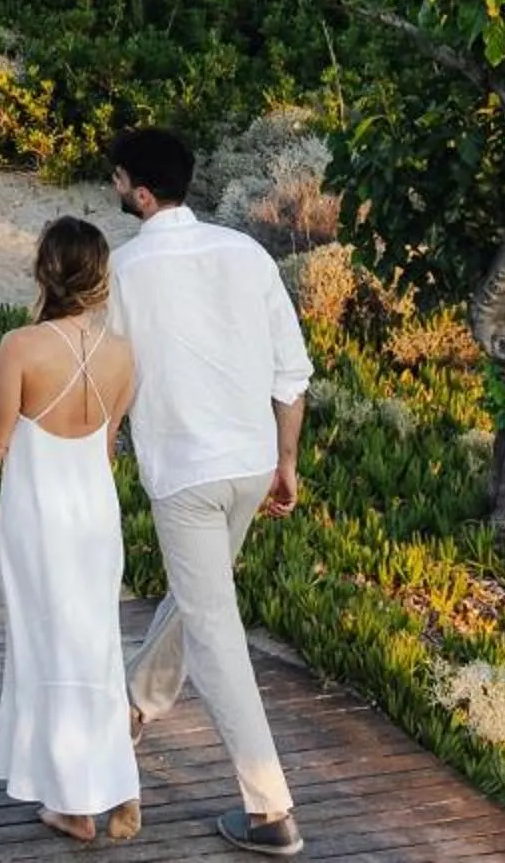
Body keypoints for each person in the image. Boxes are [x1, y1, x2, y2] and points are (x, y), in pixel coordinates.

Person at [107, 127, 313, 856]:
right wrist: (286, 461)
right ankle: (132, 706)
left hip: (187, 472)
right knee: (202, 601)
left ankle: (269, 811)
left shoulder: (124, 271)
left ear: (138, 190)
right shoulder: (246, 253)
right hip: (252, 462)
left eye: (118, 176)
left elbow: (108, 378)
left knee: (215, 628)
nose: (114, 184)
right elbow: (292, 373)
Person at [0, 216, 142, 844]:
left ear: (44, 270)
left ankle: (73, 805)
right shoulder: (123, 353)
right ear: (101, 276)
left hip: (41, 516)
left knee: (46, 647)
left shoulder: (21, 347)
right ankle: (115, 786)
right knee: (96, 646)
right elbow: (105, 450)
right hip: (97, 516)